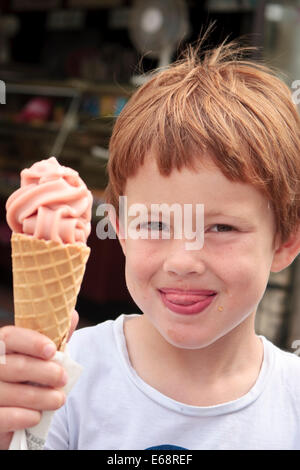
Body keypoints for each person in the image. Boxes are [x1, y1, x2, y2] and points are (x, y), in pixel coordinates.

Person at [1, 33, 300, 450]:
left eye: (222, 228)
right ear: (120, 228)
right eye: (155, 225)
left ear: (285, 240)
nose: (182, 261)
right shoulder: (60, 379)